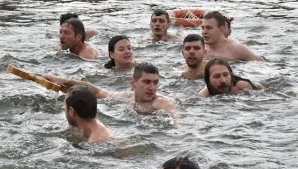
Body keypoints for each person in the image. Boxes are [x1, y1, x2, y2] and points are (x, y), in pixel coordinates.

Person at [44, 63, 177, 117]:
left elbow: (178, 122)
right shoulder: (127, 96)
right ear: (133, 83)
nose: (152, 88)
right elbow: (97, 92)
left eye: (155, 82)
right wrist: (63, 81)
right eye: (147, 82)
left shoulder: (161, 104)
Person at [198, 58, 263, 97]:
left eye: (226, 75)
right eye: (216, 76)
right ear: (207, 80)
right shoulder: (203, 94)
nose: (223, 80)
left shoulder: (243, 86)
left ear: (231, 75)